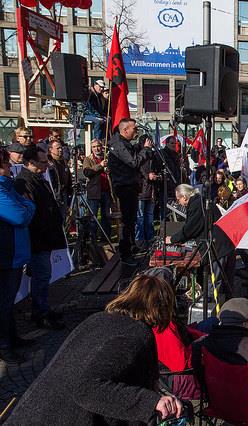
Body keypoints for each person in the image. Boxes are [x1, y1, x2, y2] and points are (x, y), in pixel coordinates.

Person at [5, 274, 183, 425]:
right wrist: (151, 402)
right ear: (162, 308)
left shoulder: (98, 319)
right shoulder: (135, 334)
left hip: (32, 413)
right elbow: (87, 388)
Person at [14, 147, 66, 330]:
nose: (47, 165)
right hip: (38, 238)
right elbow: (31, 212)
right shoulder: (23, 181)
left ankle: (43, 308)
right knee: (41, 276)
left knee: (44, 276)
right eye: (43, 162)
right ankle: (40, 313)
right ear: (31, 162)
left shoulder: (39, 178)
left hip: (46, 236)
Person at [0, 147, 35, 363]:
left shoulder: (7, 186)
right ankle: (4, 345)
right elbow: (21, 214)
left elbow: (26, 205)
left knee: (8, 300)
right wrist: (29, 205)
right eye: (5, 164)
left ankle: (12, 338)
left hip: (14, 254)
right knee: (3, 302)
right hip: (5, 254)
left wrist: (28, 205)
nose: (10, 166)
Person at [108, 118, 153, 265]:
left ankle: (132, 247)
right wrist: (145, 150)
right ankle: (125, 253)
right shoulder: (119, 145)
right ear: (125, 129)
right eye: (134, 128)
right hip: (124, 186)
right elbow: (133, 162)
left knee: (132, 220)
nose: (136, 131)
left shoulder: (126, 144)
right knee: (127, 221)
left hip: (131, 186)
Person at [83, 139, 112, 240]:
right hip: (94, 192)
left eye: (98, 146)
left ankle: (106, 237)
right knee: (93, 217)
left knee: (106, 216)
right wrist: (100, 166)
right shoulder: (88, 159)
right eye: (94, 147)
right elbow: (87, 172)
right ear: (91, 148)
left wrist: (109, 169)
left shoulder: (107, 158)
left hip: (106, 191)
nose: (97, 149)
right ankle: (93, 238)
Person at [48, 140, 72, 216]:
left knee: (63, 216)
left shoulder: (63, 161)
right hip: (54, 194)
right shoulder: (48, 163)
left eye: (61, 148)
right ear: (50, 149)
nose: (60, 150)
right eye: (57, 148)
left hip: (64, 193)